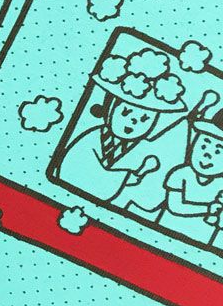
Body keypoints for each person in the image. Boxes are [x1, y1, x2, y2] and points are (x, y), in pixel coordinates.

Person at [55, 48, 188, 204]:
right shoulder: (92, 138)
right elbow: (77, 167)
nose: (133, 122)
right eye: (126, 112)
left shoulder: (134, 148)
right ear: (110, 108)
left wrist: (134, 175)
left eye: (144, 119)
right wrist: (129, 175)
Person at [154, 106, 223, 244]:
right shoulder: (180, 175)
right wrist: (207, 209)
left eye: (217, 151)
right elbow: (175, 206)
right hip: (160, 234)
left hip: (198, 245)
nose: (207, 155)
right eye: (203, 146)